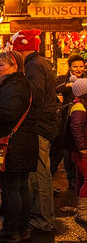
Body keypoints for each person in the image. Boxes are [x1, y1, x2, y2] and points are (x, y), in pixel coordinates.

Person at [0, 51, 39, 243]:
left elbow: (8, 114)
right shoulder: (16, 84)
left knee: (11, 186)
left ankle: (12, 230)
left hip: (10, 145)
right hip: (20, 143)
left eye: (1, 65)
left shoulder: (14, 86)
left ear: (14, 66)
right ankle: (22, 228)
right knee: (20, 186)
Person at [11, 29, 58, 233]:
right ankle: (39, 216)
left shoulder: (34, 65)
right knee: (38, 171)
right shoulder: (37, 63)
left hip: (39, 126)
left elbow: (34, 95)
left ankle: (43, 219)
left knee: (39, 173)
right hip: (41, 123)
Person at [55, 54, 85, 184]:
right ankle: (72, 177)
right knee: (69, 148)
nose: (78, 69)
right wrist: (67, 86)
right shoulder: (63, 79)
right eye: (75, 66)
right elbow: (54, 90)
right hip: (67, 117)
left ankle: (80, 178)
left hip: (83, 116)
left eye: (81, 66)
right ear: (70, 67)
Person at [66, 79, 87, 226]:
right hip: (82, 150)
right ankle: (82, 212)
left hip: (79, 149)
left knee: (81, 178)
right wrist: (82, 147)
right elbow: (77, 128)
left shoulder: (79, 104)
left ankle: (81, 209)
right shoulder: (79, 107)